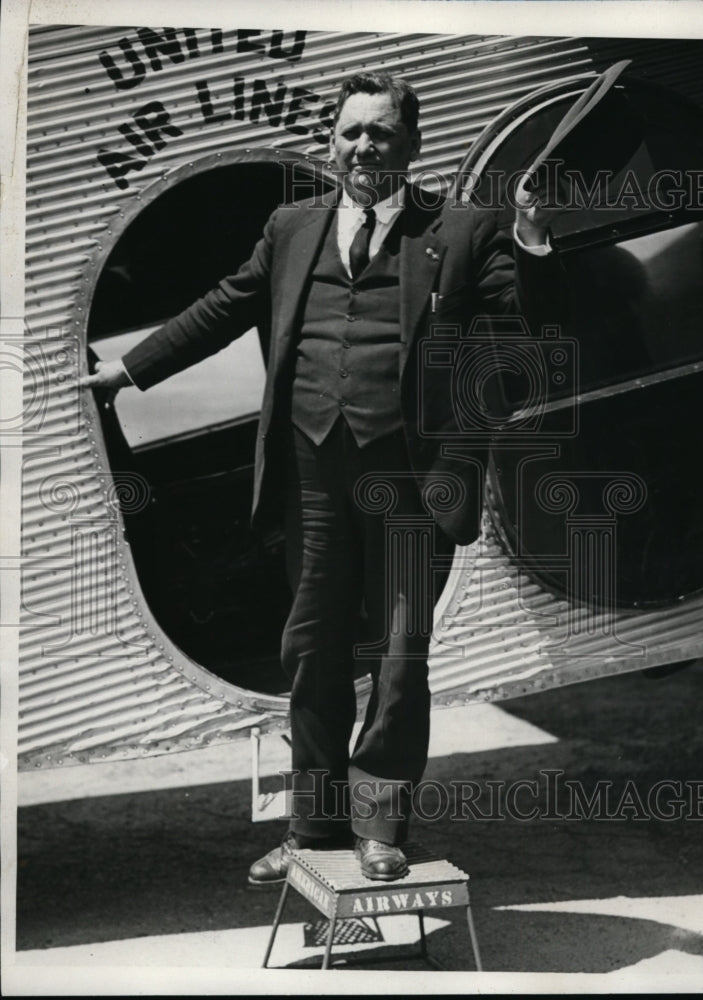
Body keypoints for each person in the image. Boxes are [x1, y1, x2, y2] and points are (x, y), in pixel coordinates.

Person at [82, 71, 560, 883]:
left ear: (411, 144)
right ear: (330, 142)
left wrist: (536, 245)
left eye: (380, 132)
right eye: (351, 132)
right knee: (312, 649)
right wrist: (129, 370)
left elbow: (519, 349)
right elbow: (227, 303)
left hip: (414, 480)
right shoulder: (292, 227)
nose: (364, 146)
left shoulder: (466, 229)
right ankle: (313, 830)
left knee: (401, 654)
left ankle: (382, 828)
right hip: (311, 473)